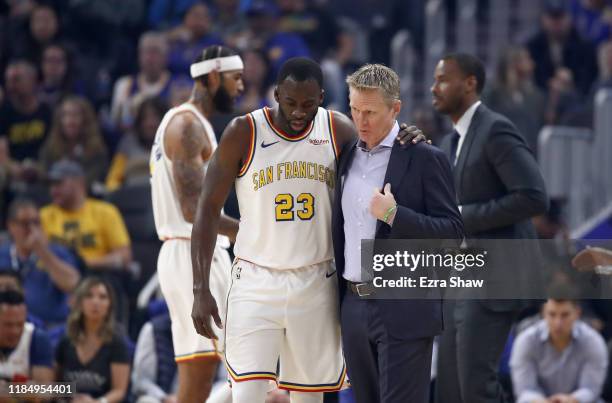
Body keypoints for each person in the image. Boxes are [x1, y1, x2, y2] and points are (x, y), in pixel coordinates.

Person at [190, 57, 424, 403]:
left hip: (316, 282)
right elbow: (207, 210)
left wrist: (406, 134)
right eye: (291, 103)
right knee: (248, 394)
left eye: (308, 104)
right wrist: (201, 288)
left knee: (309, 397)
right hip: (256, 280)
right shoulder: (244, 131)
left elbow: (381, 153)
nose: (299, 112)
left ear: (322, 98)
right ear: (276, 95)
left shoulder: (337, 130)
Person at [333, 64, 463, 403]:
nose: (361, 121)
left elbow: (452, 233)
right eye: (355, 110)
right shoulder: (343, 153)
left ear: (395, 109)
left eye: (371, 112)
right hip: (353, 305)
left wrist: (394, 214)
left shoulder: (425, 158)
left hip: (404, 305)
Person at [432, 53, 549, 403]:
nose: (433, 87)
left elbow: (533, 196)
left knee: (474, 389)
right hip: (462, 275)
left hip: (497, 274)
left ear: (470, 83)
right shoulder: (449, 142)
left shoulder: (495, 129)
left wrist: (464, 216)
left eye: (443, 79)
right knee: (450, 391)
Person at [150, 45, 242, 402]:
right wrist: (250, 231)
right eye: (235, 79)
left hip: (192, 251)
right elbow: (194, 210)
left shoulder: (189, 122)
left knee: (226, 368)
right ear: (214, 76)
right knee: (202, 373)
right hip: (193, 253)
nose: (240, 87)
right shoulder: (187, 125)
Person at [510, 287, 608, 403]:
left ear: (577, 313)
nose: (558, 323)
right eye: (552, 314)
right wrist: (539, 401)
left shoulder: (593, 341)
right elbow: (524, 390)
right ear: (543, 313)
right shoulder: (526, 340)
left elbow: (591, 389)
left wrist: (572, 399)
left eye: (565, 315)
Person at [0, 198, 80, 327]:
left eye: (36, 223)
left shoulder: (57, 253)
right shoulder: (3, 254)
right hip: (8, 327)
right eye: (25, 223)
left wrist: (42, 252)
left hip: (51, 327)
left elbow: (73, 283)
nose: (31, 229)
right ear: (11, 226)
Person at [40, 159, 132, 271]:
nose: (53, 190)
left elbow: (124, 257)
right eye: (51, 185)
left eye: (59, 183)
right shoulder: (43, 215)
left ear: (79, 182)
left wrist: (83, 264)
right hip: (56, 278)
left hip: (96, 275)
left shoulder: (105, 212)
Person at [55, 277, 130, 403]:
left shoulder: (117, 342)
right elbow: (54, 384)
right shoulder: (66, 340)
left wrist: (97, 402)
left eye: (102, 297)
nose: (96, 302)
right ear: (79, 302)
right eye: (89, 296)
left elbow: (119, 391)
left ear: (109, 305)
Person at [39, 96, 109, 186]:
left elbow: (93, 177)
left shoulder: (96, 149)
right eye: (65, 115)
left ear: (85, 119)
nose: (70, 121)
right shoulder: (51, 146)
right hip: (54, 194)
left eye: (75, 115)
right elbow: (43, 171)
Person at [106, 96, 168, 192]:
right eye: (145, 118)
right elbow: (113, 179)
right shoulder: (128, 142)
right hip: (131, 198)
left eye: (155, 117)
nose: (149, 124)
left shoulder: (172, 143)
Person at [0, 288, 54, 383]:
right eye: (8, 325)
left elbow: (45, 391)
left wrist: (8, 391)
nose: (15, 331)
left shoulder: (37, 338)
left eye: (20, 324)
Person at [131, 313, 178, 403]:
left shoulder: (203, 330)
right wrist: (164, 397)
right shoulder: (152, 329)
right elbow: (140, 381)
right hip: (157, 398)